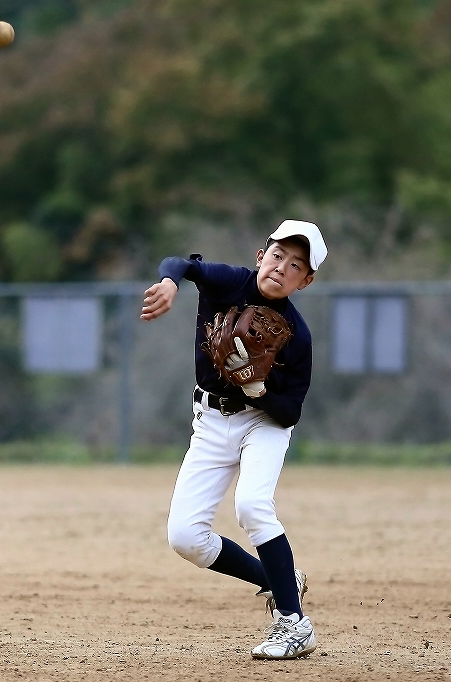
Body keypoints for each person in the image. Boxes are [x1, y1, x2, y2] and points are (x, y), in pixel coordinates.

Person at [140, 220, 327, 659]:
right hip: (208, 421)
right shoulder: (230, 283)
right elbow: (181, 263)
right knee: (185, 536)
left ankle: (295, 624)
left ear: (306, 281)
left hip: (263, 423)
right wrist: (170, 283)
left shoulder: (297, 337)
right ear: (261, 256)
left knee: (252, 506)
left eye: (296, 265)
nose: (283, 267)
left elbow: (291, 411)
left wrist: (256, 385)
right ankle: (278, 577)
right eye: (278, 255)